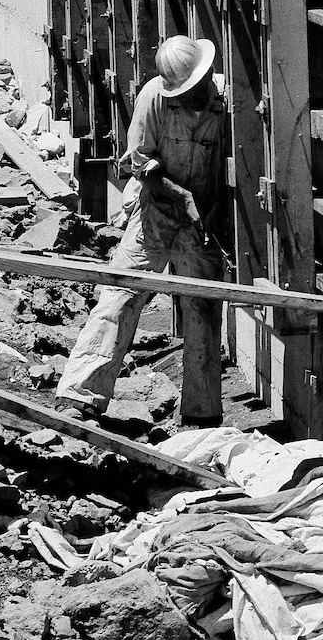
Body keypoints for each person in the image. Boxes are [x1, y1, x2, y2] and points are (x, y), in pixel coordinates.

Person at [56, 34, 228, 429]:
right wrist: (182, 198)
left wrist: (211, 212)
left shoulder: (222, 102)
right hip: (157, 214)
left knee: (201, 307)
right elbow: (141, 163)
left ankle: (202, 415)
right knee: (121, 295)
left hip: (202, 224)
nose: (195, 95)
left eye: (199, 86)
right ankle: (78, 395)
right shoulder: (154, 98)